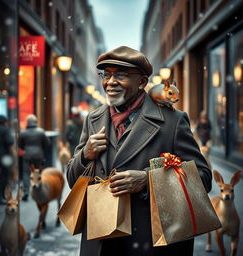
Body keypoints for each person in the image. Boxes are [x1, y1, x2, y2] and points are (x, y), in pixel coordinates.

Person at [67, 46, 212, 256]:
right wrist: (85, 154)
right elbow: (72, 180)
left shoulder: (173, 120)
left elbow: (203, 178)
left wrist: (147, 180)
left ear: (142, 82)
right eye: (106, 74)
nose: (110, 82)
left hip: (151, 242)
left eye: (121, 75)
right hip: (100, 244)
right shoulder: (93, 119)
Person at [18, 114, 50, 201]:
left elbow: (19, 145)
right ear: (36, 122)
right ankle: (38, 191)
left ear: (27, 122)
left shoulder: (23, 132)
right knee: (37, 173)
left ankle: (26, 192)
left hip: (27, 155)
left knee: (26, 173)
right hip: (38, 155)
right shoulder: (41, 131)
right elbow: (47, 143)